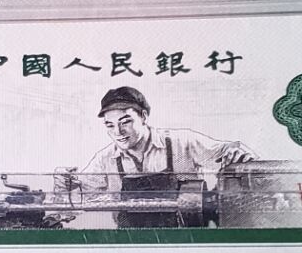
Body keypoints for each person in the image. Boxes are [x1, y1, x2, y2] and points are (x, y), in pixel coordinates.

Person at [66, 85, 254, 227]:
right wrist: (67, 185)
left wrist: (236, 154)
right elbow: (79, 194)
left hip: (187, 242)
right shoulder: (105, 159)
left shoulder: (182, 142)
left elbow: (229, 152)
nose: (118, 132)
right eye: (110, 125)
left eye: (125, 122)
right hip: (132, 243)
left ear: (143, 116)